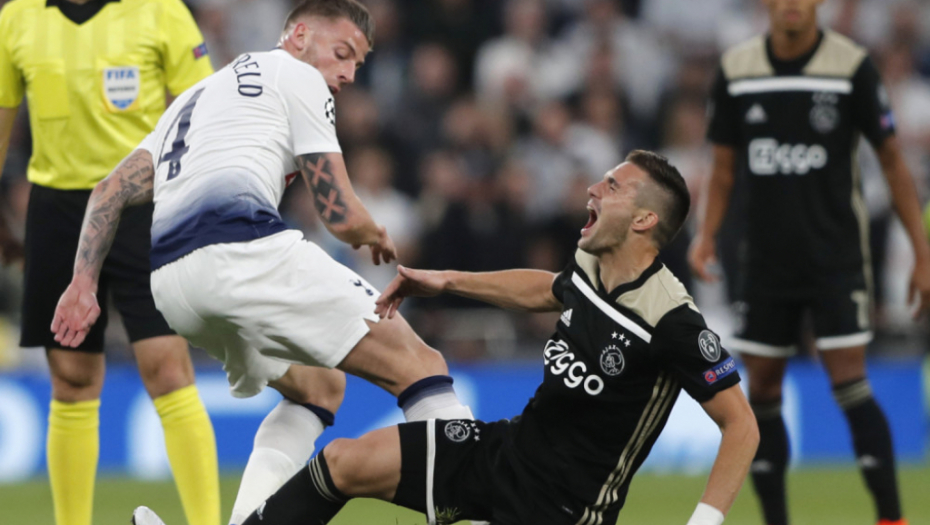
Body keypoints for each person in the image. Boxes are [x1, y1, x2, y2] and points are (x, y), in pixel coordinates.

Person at [49, 2, 475, 524]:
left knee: (318, 386)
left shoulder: (197, 96)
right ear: (299, 35)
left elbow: (109, 191)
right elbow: (339, 213)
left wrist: (82, 283)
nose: (347, 73)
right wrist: (373, 231)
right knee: (420, 365)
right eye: (342, 53)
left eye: (358, 64)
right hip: (242, 252)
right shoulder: (297, 75)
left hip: (173, 285)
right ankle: (477, 507)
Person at [230, 151, 759, 525]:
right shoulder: (592, 267)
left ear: (644, 219)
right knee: (344, 462)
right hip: (506, 453)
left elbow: (741, 425)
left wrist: (704, 520)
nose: (593, 190)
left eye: (613, 187)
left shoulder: (672, 320)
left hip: (563, 509)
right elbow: (549, 289)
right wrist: (447, 281)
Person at [688, 1, 930, 525]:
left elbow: (892, 160)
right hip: (762, 262)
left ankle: (892, 519)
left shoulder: (850, 67)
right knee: (762, 391)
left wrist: (921, 253)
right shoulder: (737, 70)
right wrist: (705, 235)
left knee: (850, 382)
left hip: (835, 258)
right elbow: (723, 166)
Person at [0, 1, 220, 524]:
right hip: (57, 210)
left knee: (168, 367)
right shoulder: (18, 17)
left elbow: (206, 107)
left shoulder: (160, 10)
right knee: (71, 378)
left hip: (143, 203)